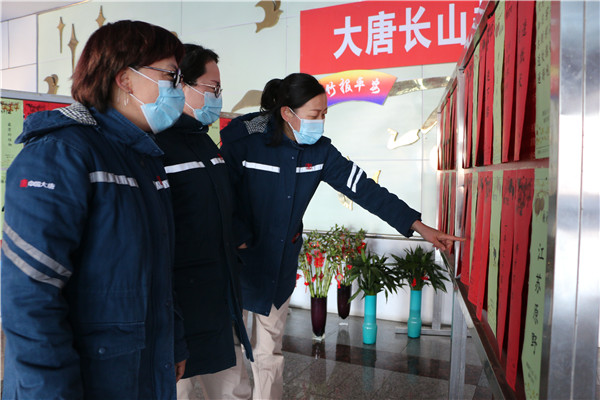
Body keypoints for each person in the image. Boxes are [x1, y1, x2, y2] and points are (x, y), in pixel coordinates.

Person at [219, 72, 464, 399]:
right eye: (314, 115)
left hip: (278, 265)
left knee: (269, 352)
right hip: (238, 259)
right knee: (230, 350)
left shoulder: (320, 152)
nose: (320, 122)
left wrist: (419, 226)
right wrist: (239, 236)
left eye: (324, 114)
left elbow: (366, 190)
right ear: (287, 113)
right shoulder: (245, 143)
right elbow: (221, 193)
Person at [1, 20, 188, 399]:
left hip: (138, 368)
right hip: (85, 379)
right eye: (170, 75)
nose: (178, 88)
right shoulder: (59, 153)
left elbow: (157, 273)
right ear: (125, 79)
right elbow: (29, 293)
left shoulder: (143, 156)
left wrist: (174, 343)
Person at [155, 44, 253, 400]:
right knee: (177, 391)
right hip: (178, 305)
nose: (217, 97)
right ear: (180, 84)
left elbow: (220, 205)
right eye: (212, 88)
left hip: (218, 300)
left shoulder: (205, 142)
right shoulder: (154, 145)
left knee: (235, 389)